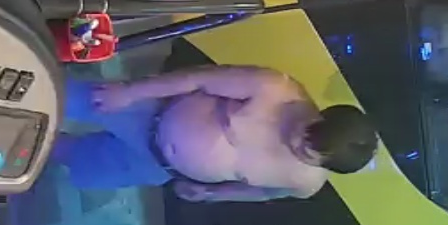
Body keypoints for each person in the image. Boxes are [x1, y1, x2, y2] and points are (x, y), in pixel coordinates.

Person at [54, 65, 379, 202]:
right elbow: (199, 78)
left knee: (70, 156)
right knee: (54, 95)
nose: (298, 146)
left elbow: (266, 193)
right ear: (322, 115)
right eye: (306, 135)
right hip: (149, 112)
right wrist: (129, 92)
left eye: (310, 156)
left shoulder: (305, 182)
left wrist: (214, 193)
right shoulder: (274, 88)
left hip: (157, 166)